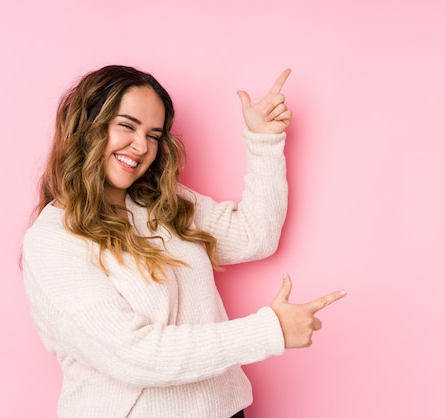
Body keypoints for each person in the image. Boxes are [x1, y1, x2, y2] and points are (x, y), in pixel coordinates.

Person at [21, 65, 346, 418]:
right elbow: (136, 355)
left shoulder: (161, 202)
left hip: (222, 410)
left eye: (154, 134)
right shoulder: (52, 241)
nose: (141, 146)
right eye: (127, 126)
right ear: (88, 126)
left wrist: (264, 140)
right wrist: (270, 330)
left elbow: (255, 236)